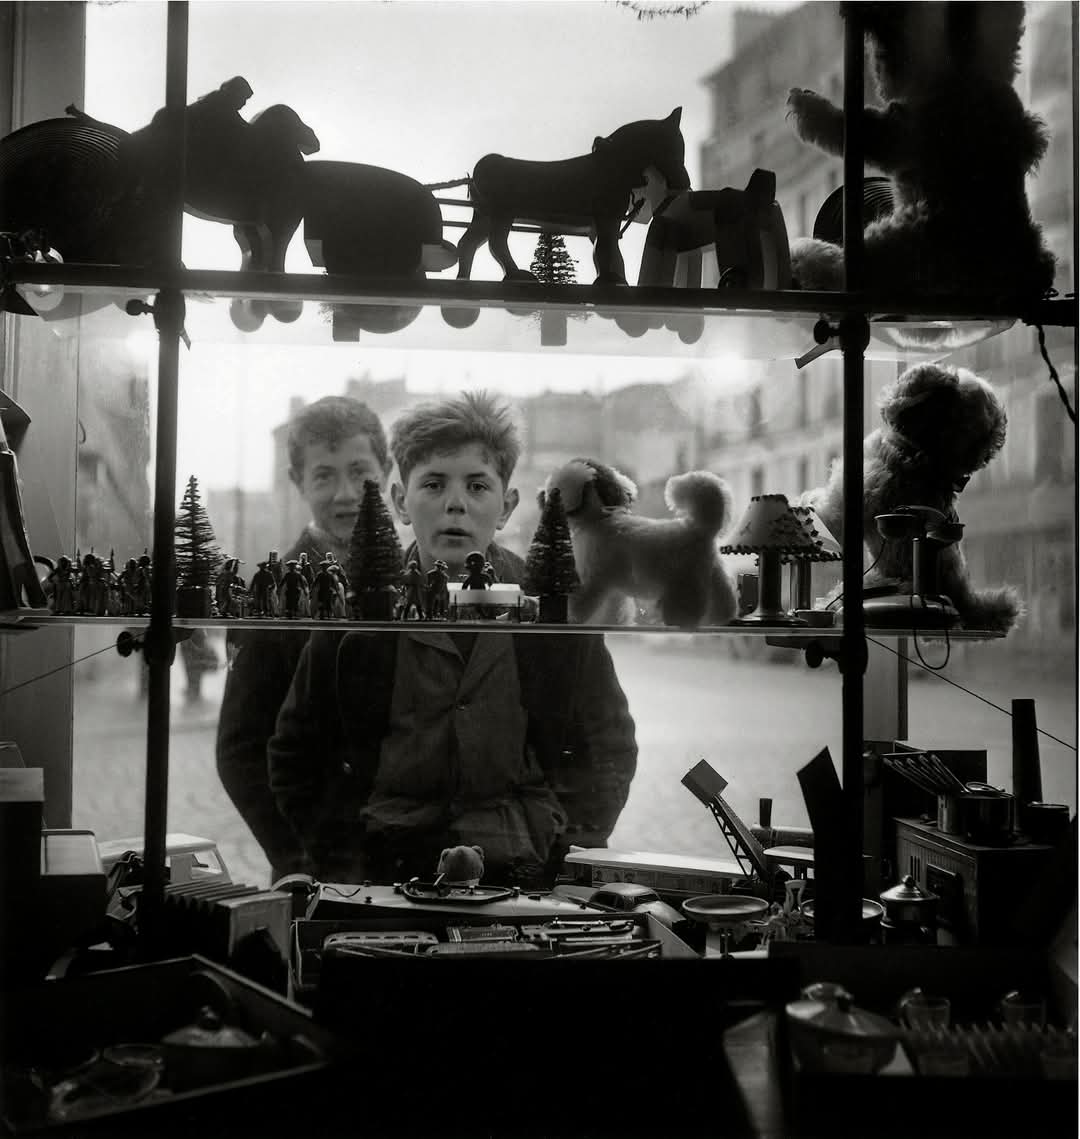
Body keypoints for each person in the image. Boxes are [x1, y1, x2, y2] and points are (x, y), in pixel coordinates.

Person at [268, 390, 638, 888]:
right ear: (401, 501)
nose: (456, 504)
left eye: (478, 486)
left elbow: (608, 740)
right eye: (434, 484)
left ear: (506, 507)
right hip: (388, 870)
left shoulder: (549, 610)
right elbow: (295, 752)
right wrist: (342, 862)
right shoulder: (362, 610)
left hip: (523, 870)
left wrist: (571, 852)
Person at [215, 395, 392, 882]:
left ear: (388, 467)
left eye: (360, 471)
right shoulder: (272, 594)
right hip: (322, 865)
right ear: (298, 483)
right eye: (324, 475)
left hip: (416, 858)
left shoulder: (419, 576)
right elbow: (240, 748)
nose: (345, 493)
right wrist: (296, 857)